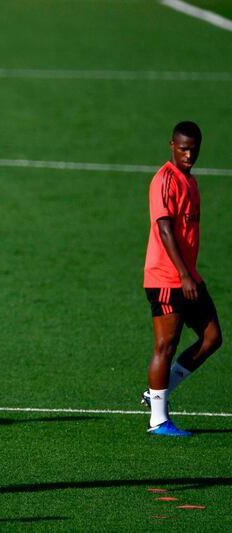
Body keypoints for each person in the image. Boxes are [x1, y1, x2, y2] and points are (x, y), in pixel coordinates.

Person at [141, 121, 223, 436]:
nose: (189, 154)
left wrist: (190, 276)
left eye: (194, 149)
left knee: (212, 337)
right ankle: (158, 420)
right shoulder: (164, 180)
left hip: (187, 277)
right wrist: (185, 275)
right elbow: (164, 230)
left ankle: (156, 393)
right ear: (171, 145)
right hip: (166, 278)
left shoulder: (190, 181)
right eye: (183, 148)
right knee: (166, 345)